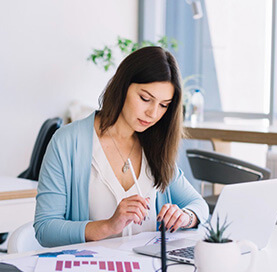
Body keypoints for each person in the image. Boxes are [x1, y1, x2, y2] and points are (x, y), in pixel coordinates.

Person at [34, 46, 209, 247]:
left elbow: (199, 206)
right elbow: (46, 228)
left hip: (150, 271)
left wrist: (186, 217)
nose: (153, 113)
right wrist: (108, 226)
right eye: (145, 99)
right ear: (122, 86)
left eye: (164, 105)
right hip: (91, 271)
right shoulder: (67, 142)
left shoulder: (156, 146)